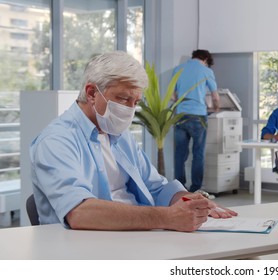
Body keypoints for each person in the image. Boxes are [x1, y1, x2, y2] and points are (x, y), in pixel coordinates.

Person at [30, 51, 236, 231]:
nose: (130, 109)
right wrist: (167, 218)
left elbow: (155, 186)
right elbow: (79, 212)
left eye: (135, 102)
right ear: (92, 93)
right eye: (123, 98)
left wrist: (188, 201)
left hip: (136, 235)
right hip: (87, 247)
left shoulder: (119, 135)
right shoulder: (56, 141)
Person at [173, 49, 220, 195]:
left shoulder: (178, 69)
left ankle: (179, 188)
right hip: (198, 116)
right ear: (205, 59)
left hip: (180, 115)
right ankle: (196, 189)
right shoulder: (206, 71)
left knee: (180, 153)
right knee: (198, 153)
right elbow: (215, 96)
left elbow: (174, 96)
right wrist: (215, 108)